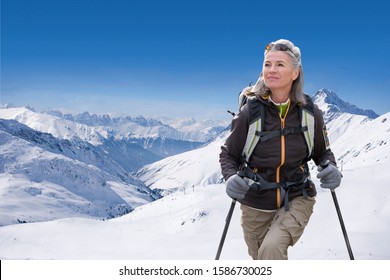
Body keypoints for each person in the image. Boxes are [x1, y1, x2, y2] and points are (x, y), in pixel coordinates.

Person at [219, 39, 342, 260]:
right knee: (261, 260)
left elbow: (322, 152)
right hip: (255, 202)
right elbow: (229, 154)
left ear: (295, 73)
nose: (271, 70)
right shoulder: (250, 113)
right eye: (267, 64)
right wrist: (229, 178)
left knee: (272, 249)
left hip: (297, 197)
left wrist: (330, 167)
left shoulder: (310, 113)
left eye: (279, 65)